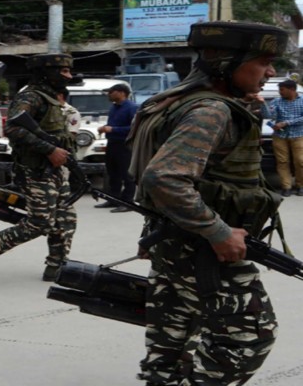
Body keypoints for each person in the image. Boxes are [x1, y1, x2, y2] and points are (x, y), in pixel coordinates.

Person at [128, 21, 288, 385]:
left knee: (171, 340)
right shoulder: (210, 110)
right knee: (248, 335)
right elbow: (163, 177)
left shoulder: (176, 100)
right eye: (263, 61)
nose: (271, 71)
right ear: (226, 62)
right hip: (206, 250)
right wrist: (218, 232)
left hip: (174, 241)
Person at [0, 53, 78, 282]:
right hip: (35, 170)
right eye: (63, 71)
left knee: (65, 219)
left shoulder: (50, 97)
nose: (69, 76)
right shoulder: (31, 97)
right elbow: (14, 129)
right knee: (40, 222)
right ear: (48, 72)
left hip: (53, 169)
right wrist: (49, 149)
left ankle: (56, 266)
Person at [95, 83, 138, 212]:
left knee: (127, 174)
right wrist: (105, 129)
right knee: (113, 173)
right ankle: (113, 199)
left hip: (124, 145)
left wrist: (113, 129)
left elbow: (134, 128)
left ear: (121, 93)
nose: (109, 94)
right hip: (112, 144)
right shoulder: (114, 107)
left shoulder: (132, 108)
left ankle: (128, 202)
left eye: (111, 92)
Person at [262, 79, 303, 196]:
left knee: (300, 161)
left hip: (299, 135)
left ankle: (300, 185)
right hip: (280, 136)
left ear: (292, 90)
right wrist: (262, 103)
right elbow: (268, 116)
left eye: (282, 90)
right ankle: (286, 186)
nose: (280, 92)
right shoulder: (276, 101)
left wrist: (287, 123)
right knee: (282, 162)